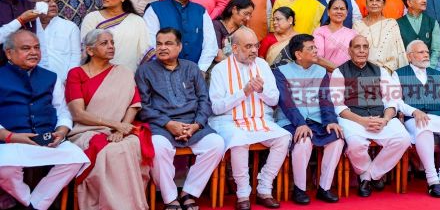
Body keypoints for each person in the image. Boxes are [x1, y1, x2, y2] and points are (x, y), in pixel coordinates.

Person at [136, 27, 226, 210]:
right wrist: (168, 124)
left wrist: (197, 125)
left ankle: (188, 192)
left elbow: (204, 99)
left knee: (216, 144)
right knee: (158, 148)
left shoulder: (191, 68)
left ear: (178, 47)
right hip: (162, 125)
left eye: (168, 43)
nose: (162, 48)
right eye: (159, 44)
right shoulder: (145, 71)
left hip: (193, 125)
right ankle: (171, 199)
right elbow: (143, 107)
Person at [0, 29, 89, 210]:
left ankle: (34, 204)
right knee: (5, 168)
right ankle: (32, 203)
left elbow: (62, 109)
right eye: (26, 48)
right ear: (9, 53)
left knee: (76, 157)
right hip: (9, 141)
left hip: (46, 139)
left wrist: (61, 131)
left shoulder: (51, 76)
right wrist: (10, 136)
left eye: (37, 47)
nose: (33, 52)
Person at [65, 29, 151, 210]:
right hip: (86, 131)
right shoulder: (76, 74)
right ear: (90, 50)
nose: (111, 46)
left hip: (121, 129)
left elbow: (133, 105)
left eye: (112, 42)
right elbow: (78, 114)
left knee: (129, 145)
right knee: (110, 152)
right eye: (104, 43)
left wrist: (121, 130)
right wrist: (114, 125)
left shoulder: (124, 73)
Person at [206, 27, 290, 210]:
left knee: (284, 137)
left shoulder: (262, 65)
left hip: (260, 119)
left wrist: (260, 91)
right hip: (229, 121)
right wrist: (243, 92)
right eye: (248, 46)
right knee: (239, 139)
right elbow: (217, 107)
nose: (254, 50)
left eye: (256, 46)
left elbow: (274, 99)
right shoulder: (220, 70)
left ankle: (264, 187)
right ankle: (243, 194)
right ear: (235, 48)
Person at [328, 34, 411, 196]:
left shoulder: (380, 71)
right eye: (357, 47)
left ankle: (369, 175)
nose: (361, 50)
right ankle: (371, 176)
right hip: (353, 118)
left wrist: (386, 119)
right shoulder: (340, 72)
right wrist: (362, 121)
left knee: (403, 139)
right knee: (355, 144)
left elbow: (391, 101)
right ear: (349, 51)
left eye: (365, 47)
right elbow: (338, 105)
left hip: (380, 117)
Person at [274, 34, 345, 204]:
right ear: (298, 54)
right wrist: (300, 124)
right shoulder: (280, 72)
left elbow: (325, 99)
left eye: (315, 47)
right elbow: (286, 101)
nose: (316, 51)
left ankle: (324, 188)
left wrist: (330, 121)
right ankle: (299, 189)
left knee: (337, 139)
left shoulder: (321, 71)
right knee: (303, 140)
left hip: (317, 120)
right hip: (291, 121)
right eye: (311, 48)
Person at [395, 40, 440, 198]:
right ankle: (432, 181)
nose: (426, 55)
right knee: (424, 128)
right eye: (421, 52)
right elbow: (397, 101)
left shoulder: (436, 74)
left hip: (436, 115)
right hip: (414, 117)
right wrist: (414, 111)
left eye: (427, 52)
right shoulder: (398, 73)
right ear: (410, 56)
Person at [144, 0, 217, 72]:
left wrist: (201, 70)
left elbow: (210, 44)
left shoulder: (200, 11)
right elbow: (150, 44)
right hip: (163, 72)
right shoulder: (155, 9)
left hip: (195, 73)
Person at [80, 0, 151, 73]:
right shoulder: (92, 18)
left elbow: (145, 52)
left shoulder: (137, 21)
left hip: (128, 76)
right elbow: (87, 50)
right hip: (96, 76)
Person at [354, 0, 407, 73]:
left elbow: (399, 50)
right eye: (371, 0)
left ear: (383, 4)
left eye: (378, 0)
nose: (374, 3)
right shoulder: (357, 25)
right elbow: (354, 51)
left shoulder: (391, 24)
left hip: (387, 72)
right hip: (363, 72)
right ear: (366, 4)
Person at [397, 0, 440, 68]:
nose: (424, 1)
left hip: (430, 66)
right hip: (407, 68)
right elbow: (398, 52)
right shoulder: (397, 24)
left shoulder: (432, 22)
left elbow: (436, 50)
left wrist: (429, 68)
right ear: (409, 2)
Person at [313, 0, 359, 70]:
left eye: (342, 9)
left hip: (349, 77)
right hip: (326, 77)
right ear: (328, 12)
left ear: (347, 13)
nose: (339, 11)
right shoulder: (320, 32)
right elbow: (318, 58)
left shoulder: (353, 34)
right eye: (335, 8)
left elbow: (357, 57)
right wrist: (339, 72)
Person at [210, 0, 254, 69]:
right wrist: (238, 67)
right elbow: (218, 56)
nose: (248, 18)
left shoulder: (243, 31)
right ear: (234, 9)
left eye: (250, 15)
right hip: (218, 69)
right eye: (246, 14)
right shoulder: (216, 25)